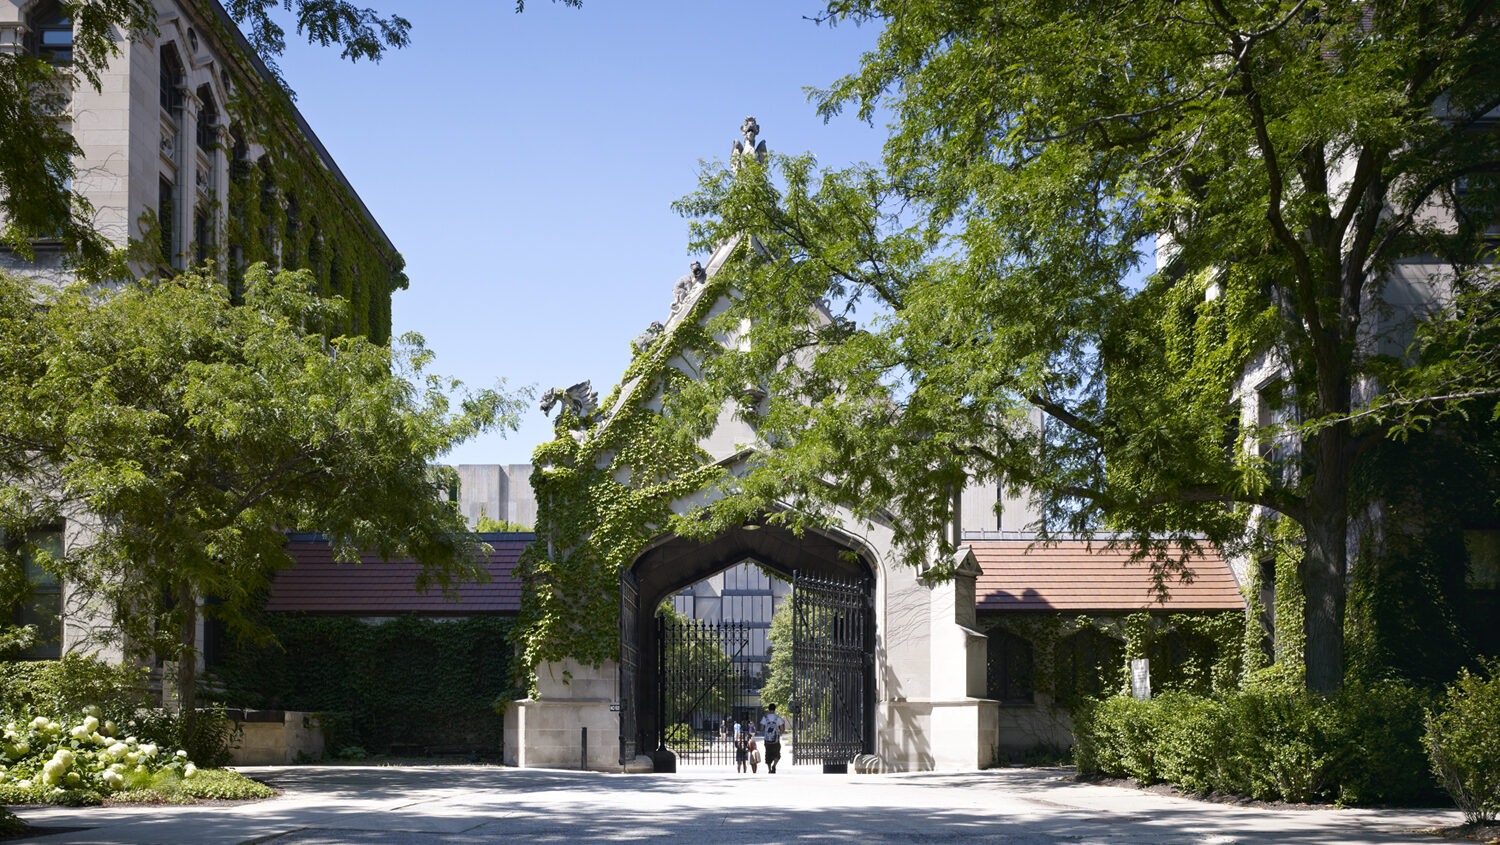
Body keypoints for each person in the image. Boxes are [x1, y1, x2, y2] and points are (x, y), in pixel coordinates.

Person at [759, 703, 786, 774]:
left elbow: (761, 728)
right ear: (775, 709)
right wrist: (780, 732)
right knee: (777, 754)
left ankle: (769, 769)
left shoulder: (765, 718)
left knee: (768, 753)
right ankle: (774, 765)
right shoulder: (778, 718)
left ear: (768, 709)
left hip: (767, 740)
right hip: (776, 740)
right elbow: (782, 729)